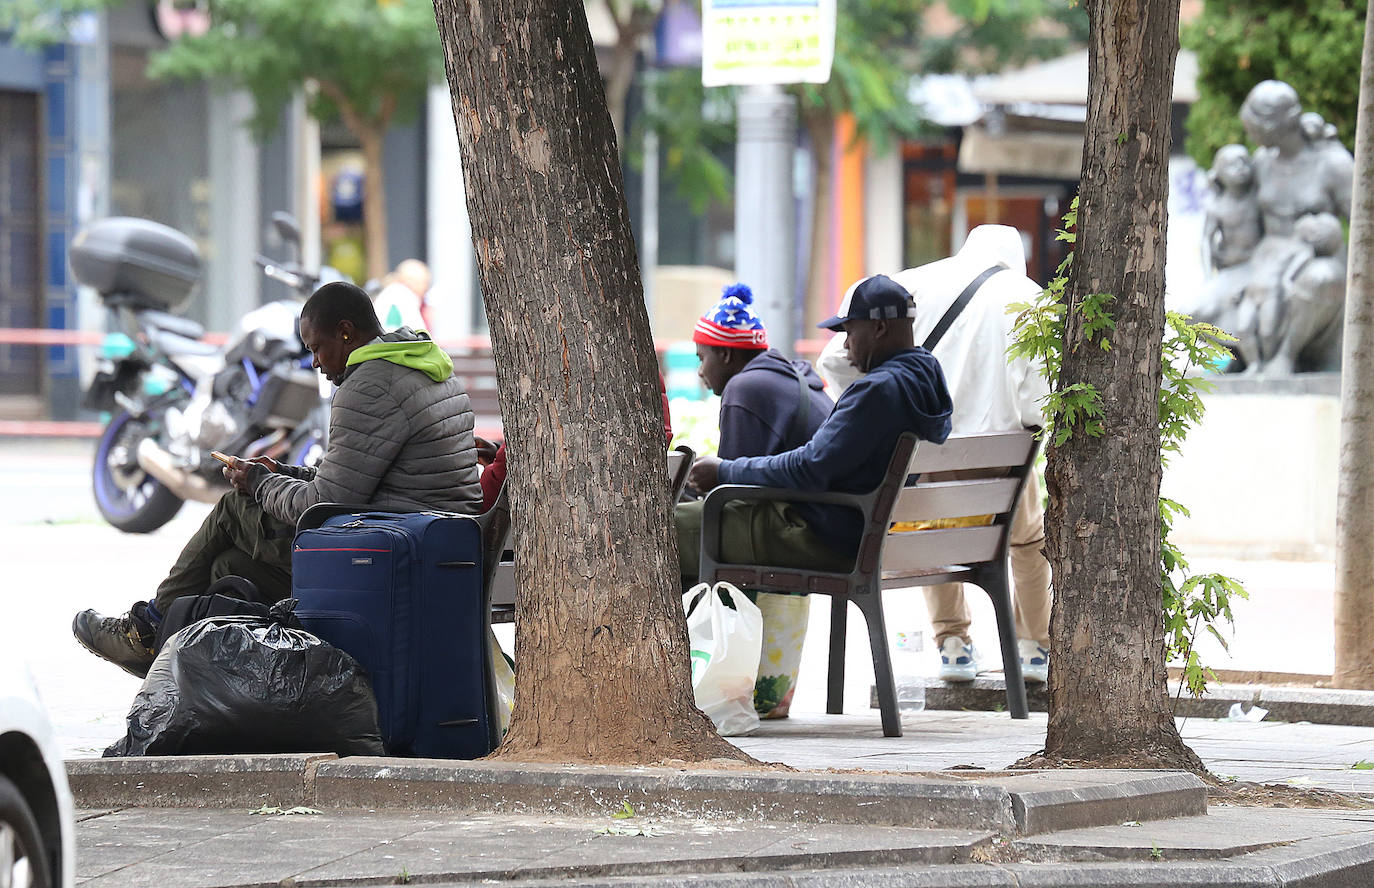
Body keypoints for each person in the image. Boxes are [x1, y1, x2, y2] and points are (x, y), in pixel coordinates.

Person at [73, 281, 483, 678]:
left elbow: (323, 503)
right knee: (229, 566)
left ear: (345, 332)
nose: (317, 362)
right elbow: (359, 472)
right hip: (425, 537)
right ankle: (180, 662)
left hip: (389, 550)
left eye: (318, 348)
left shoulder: (370, 384)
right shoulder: (421, 363)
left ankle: (147, 629)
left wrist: (258, 484)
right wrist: (282, 473)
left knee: (234, 507)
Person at [817, 225, 1053, 684]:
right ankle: (1032, 647)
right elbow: (1038, 405)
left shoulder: (913, 283)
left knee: (933, 513)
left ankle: (952, 642)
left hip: (920, 472)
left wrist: (878, 412)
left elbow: (833, 359)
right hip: (997, 472)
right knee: (1028, 539)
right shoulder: (1031, 299)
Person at [678, 274, 953, 592]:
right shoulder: (926, 379)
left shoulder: (879, 391)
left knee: (655, 532)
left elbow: (810, 467)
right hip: (859, 530)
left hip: (822, 538)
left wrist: (724, 469)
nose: (846, 344)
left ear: (879, 328)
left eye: (849, 332)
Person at [690, 281, 835, 718]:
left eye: (703, 358)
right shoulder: (790, 374)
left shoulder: (745, 389)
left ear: (727, 355)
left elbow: (736, 498)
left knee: (660, 535)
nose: (700, 371)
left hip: (805, 531)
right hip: (830, 520)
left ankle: (699, 685)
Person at [373, 259, 431, 332]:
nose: (426, 288)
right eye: (425, 283)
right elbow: (418, 333)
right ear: (413, 282)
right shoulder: (405, 297)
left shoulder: (389, 293)